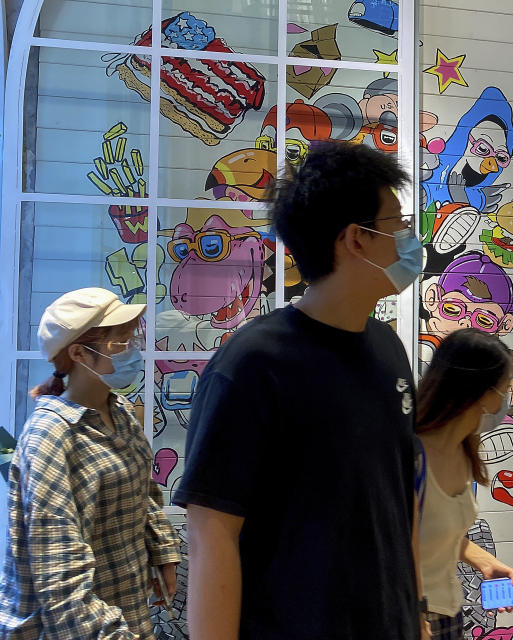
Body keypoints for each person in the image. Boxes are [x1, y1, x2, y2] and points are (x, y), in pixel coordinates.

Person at [173, 142, 424, 639]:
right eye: (397, 224)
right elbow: (212, 535)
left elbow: (399, 504)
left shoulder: (389, 350)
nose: (409, 240)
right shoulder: (252, 366)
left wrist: (413, 613)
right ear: (356, 239)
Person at [0, 287, 180, 639]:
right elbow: (61, 580)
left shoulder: (120, 413)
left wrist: (162, 550)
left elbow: (143, 492)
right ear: (80, 353)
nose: (133, 350)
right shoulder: (51, 438)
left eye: (133, 338)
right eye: (120, 342)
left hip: (128, 609)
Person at [415, 328, 513, 639]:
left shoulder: (464, 450)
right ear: (481, 393)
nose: (505, 402)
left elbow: (435, 532)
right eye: (503, 390)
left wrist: (484, 561)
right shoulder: (411, 456)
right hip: (413, 617)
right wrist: (415, 617)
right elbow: (392, 548)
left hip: (449, 612)